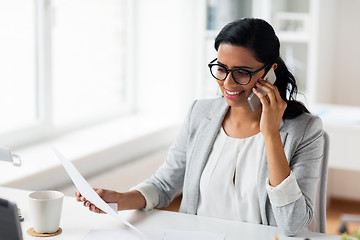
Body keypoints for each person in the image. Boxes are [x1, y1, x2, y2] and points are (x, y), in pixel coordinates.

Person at [75, 18, 325, 236]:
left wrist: (270, 134)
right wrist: (120, 200)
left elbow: (292, 224)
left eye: (241, 72)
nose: (228, 82)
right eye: (222, 69)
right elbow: (164, 185)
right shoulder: (200, 113)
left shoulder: (304, 130)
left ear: (270, 72)